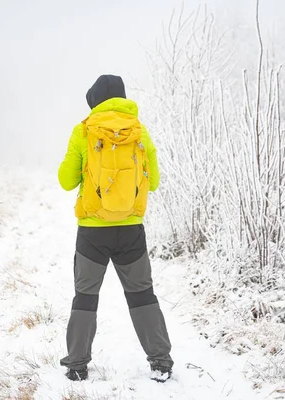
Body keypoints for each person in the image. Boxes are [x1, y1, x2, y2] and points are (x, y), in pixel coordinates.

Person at [57, 74, 174, 382]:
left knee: (85, 295)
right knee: (142, 294)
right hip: (131, 231)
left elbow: (66, 181)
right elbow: (156, 182)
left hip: (92, 232)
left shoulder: (83, 131)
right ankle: (161, 362)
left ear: (94, 101)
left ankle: (77, 365)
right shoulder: (139, 132)